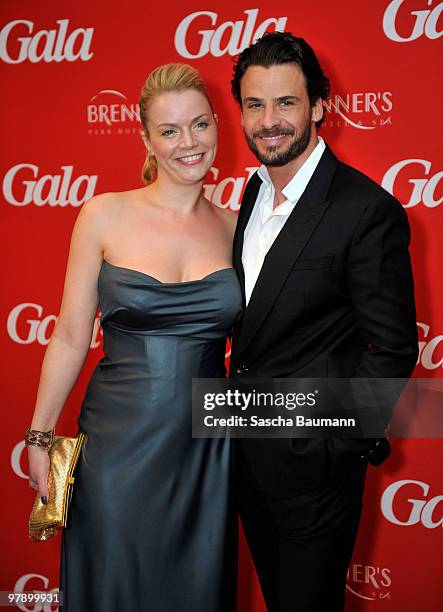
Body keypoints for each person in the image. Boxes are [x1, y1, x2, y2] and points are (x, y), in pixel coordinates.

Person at [25, 63, 241, 612]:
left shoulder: (239, 226)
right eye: (169, 131)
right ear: (145, 138)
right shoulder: (103, 214)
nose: (188, 144)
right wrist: (38, 437)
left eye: (199, 125)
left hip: (206, 451)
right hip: (117, 450)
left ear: (218, 124)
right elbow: (72, 335)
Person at [229, 33, 418, 611]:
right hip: (242, 454)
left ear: (319, 107)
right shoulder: (251, 193)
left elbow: (391, 348)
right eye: (254, 105)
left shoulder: (366, 210)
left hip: (314, 471)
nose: (269, 121)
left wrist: (333, 444)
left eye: (285, 103)